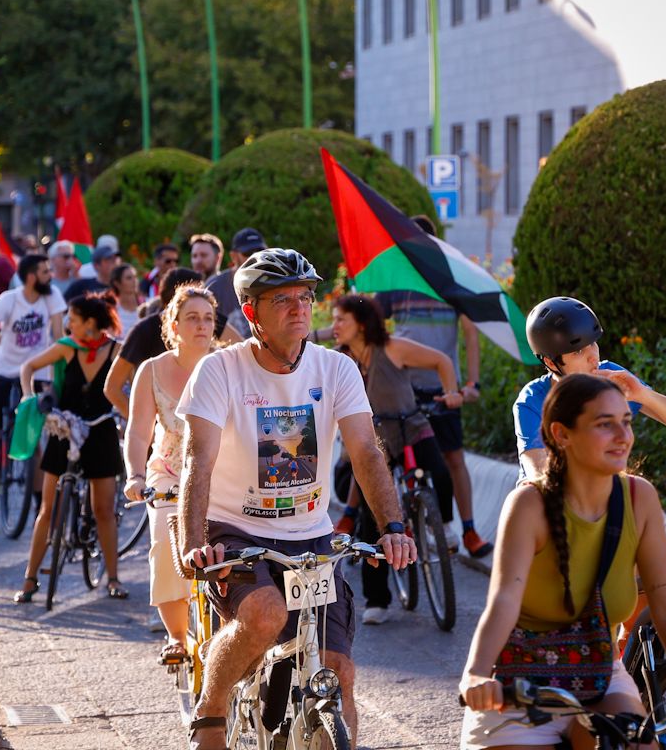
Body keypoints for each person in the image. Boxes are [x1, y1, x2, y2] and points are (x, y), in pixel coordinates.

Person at [176, 248, 418, 749]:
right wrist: (194, 544)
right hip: (234, 530)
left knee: (340, 671)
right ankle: (212, 704)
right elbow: (197, 463)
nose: (299, 308)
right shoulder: (220, 371)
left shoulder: (336, 370)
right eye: (281, 299)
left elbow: (367, 452)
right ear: (250, 313)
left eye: (305, 297)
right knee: (264, 615)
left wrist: (393, 527)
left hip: (310, 535)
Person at [458, 373, 666, 746]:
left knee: (632, 740)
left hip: (598, 673)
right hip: (517, 681)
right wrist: (476, 674)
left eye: (626, 422)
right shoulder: (529, 504)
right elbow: (504, 599)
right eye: (605, 425)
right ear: (562, 434)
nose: (624, 437)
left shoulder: (639, 498)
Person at [329, 294, 464, 625]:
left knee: (440, 472)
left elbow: (442, 361)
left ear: (360, 324)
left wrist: (451, 392)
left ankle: (443, 527)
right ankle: (378, 600)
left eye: (340, 320)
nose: (333, 327)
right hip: (371, 439)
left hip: (409, 425)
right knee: (370, 517)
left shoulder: (392, 347)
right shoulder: (338, 360)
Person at [367, 214, 492, 557]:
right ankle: (390, 527)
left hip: (442, 388)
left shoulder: (448, 282)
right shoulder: (394, 283)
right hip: (403, 390)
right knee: (389, 460)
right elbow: (369, 324)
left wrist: (472, 384)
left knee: (453, 458)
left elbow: (470, 333)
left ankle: (468, 531)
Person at [122, 285, 220, 662]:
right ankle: (177, 636)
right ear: (173, 325)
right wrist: (134, 476)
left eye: (208, 318)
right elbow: (138, 431)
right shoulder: (152, 370)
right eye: (192, 318)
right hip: (166, 473)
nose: (201, 325)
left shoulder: (224, 364)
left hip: (216, 472)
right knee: (166, 542)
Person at [11, 293, 126, 600]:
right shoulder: (66, 348)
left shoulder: (116, 349)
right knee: (48, 509)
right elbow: (28, 367)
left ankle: (113, 578)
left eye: (72, 320)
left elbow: (139, 376)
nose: (67, 325)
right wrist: (28, 397)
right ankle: (30, 578)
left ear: (90, 323)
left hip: (101, 432)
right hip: (64, 431)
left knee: (103, 510)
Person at [517, 297, 666, 482]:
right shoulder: (532, 400)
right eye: (578, 352)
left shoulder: (611, 376)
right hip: (548, 503)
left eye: (592, 344)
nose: (593, 357)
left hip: (600, 496)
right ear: (550, 362)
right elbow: (538, 474)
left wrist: (642, 394)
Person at [0, 253, 66, 510]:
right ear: (30, 277)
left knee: (32, 439)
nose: (49, 276)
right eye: (44, 272)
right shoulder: (10, 300)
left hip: (36, 373)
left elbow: (58, 335)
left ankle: (42, 503)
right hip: (4, 371)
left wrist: (59, 376)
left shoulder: (51, 296)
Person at [103, 267, 239, 417]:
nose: (202, 323)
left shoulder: (206, 319)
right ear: (176, 299)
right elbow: (112, 387)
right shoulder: (144, 330)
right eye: (193, 293)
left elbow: (242, 351)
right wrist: (143, 425)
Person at [205, 227, 265, 338]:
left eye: (260, 251)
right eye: (248, 252)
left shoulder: (272, 283)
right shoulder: (215, 286)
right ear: (233, 256)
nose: (256, 257)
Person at [108, 262, 141, 339]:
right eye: (129, 278)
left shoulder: (147, 305)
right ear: (117, 283)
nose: (134, 281)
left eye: (135, 277)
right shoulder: (111, 312)